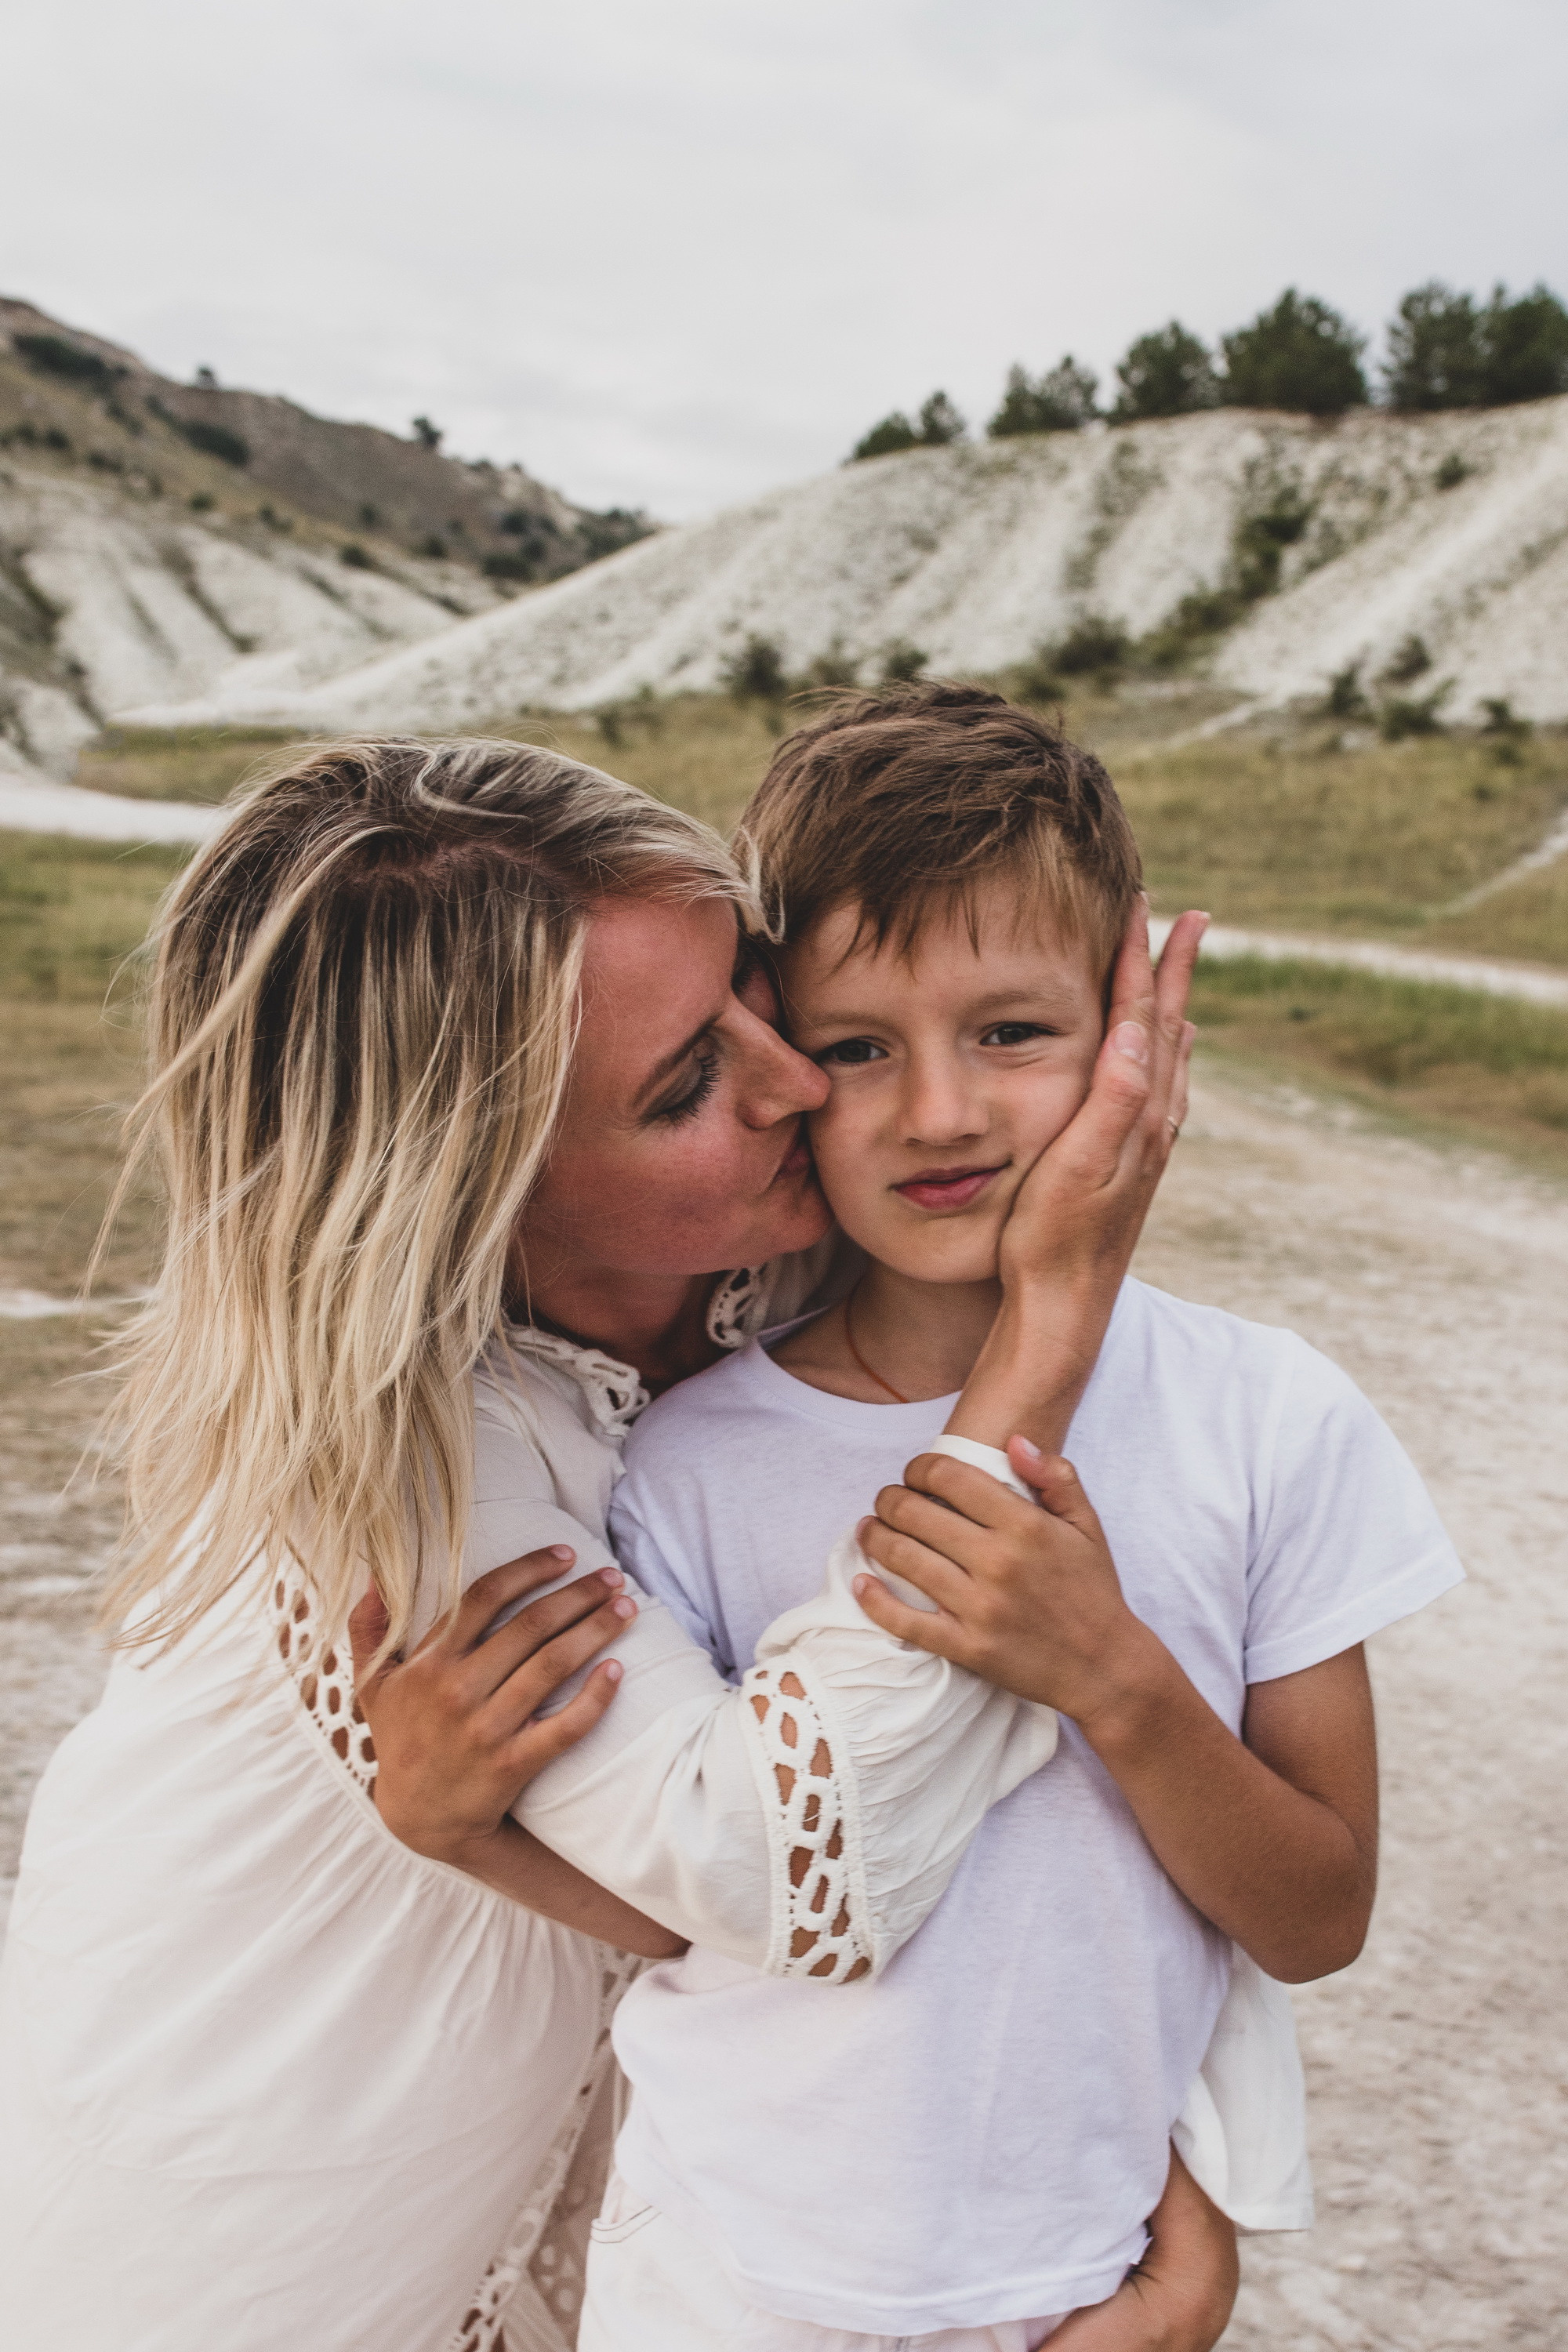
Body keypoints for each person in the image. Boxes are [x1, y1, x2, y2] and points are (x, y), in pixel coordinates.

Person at [0, 735, 1221, 2352]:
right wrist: (1049, 1322)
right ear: (476, 1188)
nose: (796, 1083)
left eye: (750, 997)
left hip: (629, 2195)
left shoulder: (772, 1284)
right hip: (249, 2205)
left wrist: (1182, 2178)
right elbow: (795, 1871)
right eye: (685, 1086)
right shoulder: (408, 1469)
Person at [577, 687, 1465, 2351]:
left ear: (1133, 1028)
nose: (939, 1113)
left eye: (1011, 1032)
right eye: (857, 1046)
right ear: (772, 1057)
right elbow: (679, 1893)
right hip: (720, 2280)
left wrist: (1112, 1678)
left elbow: (1315, 1912)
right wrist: (458, 1823)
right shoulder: (682, 1457)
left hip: (1077, 2288)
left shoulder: (1263, 1414)